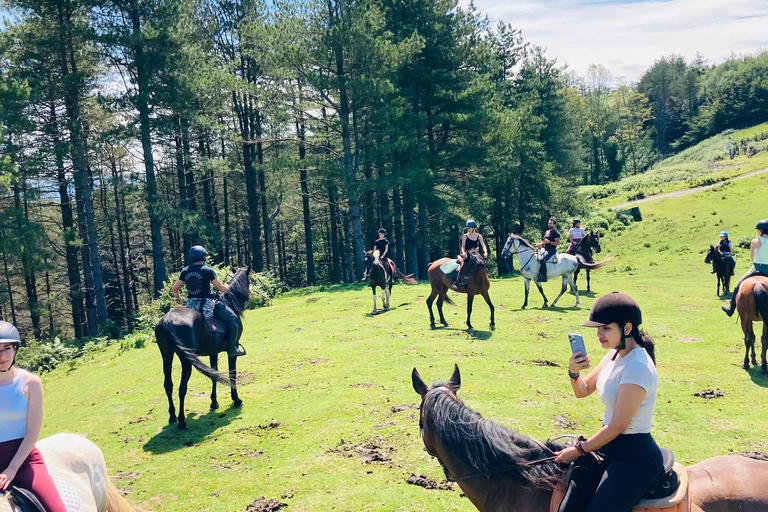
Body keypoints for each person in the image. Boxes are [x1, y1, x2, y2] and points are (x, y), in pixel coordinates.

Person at [554, 292, 662, 512]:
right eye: (597, 329)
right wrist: (574, 373)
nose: (599, 334)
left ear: (627, 328)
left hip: (634, 458)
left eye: (606, 328)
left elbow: (618, 425)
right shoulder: (614, 355)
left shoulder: (637, 366)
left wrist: (579, 450)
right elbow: (583, 391)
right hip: (608, 446)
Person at [0, 321, 67, 512]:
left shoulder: (30, 383)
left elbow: (32, 432)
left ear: (15, 349)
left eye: (7, 348)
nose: (2, 355)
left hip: (25, 462)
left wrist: (12, 469)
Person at [172, 245, 245, 357]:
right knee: (233, 318)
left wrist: (178, 298)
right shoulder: (208, 271)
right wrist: (227, 286)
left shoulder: (185, 271)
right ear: (203, 257)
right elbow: (220, 288)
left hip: (191, 306)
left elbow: (175, 288)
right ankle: (232, 349)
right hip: (207, 304)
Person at [722, 219, 768, 317]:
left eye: (758, 230)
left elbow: (752, 257)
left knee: (738, 285)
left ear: (761, 230)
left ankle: (731, 310)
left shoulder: (755, 241)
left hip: (755, 268)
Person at [453, 220, 488, 287]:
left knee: (481, 264)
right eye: (468, 228)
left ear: (473, 228)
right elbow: (463, 246)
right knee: (461, 265)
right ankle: (456, 281)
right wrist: (464, 253)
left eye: (469, 228)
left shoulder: (479, 236)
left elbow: (483, 245)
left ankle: (482, 280)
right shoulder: (465, 236)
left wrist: (485, 252)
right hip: (466, 254)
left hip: (474, 254)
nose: (468, 229)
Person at [538, 218, 561, 282]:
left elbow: (558, 243)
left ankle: (544, 276)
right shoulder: (547, 232)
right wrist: (540, 243)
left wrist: (550, 242)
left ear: (554, 225)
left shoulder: (556, 233)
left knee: (542, 259)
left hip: (551, 250)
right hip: (544, 249)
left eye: (551, 223)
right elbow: (545, 241)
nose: (549, 224)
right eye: (549, 223)